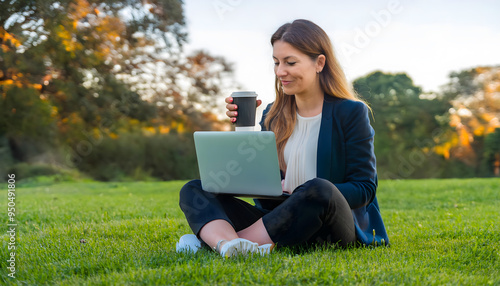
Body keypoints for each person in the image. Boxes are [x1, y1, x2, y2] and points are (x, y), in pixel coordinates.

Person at [177, 19, 389, 258]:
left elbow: (364, 188)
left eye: (290, 62)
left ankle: (216, 244)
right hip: (279, 218)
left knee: (319, 189)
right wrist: (241, 132)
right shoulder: (273, 113)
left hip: (327, 220)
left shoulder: (350, 112)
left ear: (319, 63)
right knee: (195, 189)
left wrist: (300, 192)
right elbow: (262, 182)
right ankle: (231, 246)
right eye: (276, 63)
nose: (280, 72)